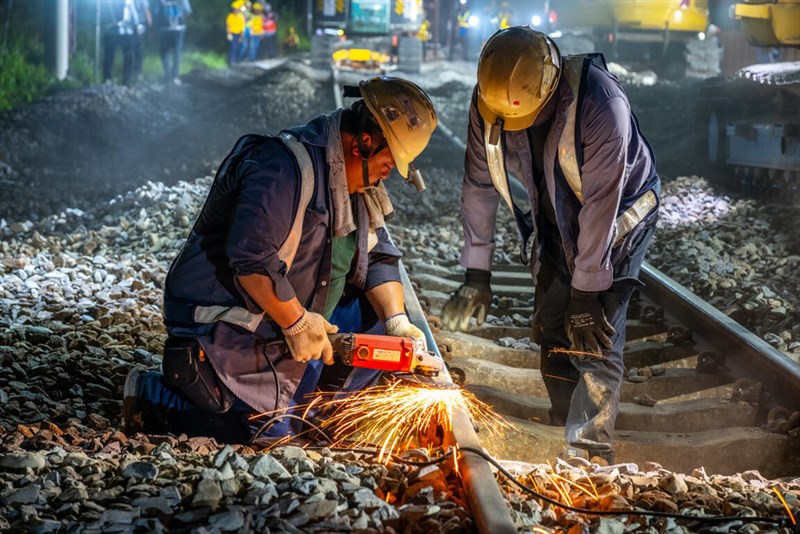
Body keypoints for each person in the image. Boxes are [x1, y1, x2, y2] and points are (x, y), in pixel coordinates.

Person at [122, 76, 438, 443]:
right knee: (268, 432)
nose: (390, 172)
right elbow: (251, 262)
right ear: (365, 142)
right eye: (390, 160)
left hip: (296, 310)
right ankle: (151, 396)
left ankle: (310, 407)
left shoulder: (357, 186)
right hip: (230, 318)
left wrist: (398, 323)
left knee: (379, 326)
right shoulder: (283, 168)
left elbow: (379, 254)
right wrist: (299, 324)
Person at [441, 26, 660, 464]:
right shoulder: (491, 99)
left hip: (617, 216)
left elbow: (600, 204)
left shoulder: (601, 104)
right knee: (550, 328)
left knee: (594, 332)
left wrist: (587, 292)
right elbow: (478, 184)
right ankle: (564, 422)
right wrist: (476, 274)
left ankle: (589, 451)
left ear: (550, 86)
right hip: (557, 210)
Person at [151, 0, 191, 85]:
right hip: (179, 28)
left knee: (164, 52)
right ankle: (175, 76)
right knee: (177, 53)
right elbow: (187, 11)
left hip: (164, 29)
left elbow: (155, 13)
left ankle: (167, 76)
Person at [101, 0, 140, 86]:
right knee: (109, 56)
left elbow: (133, 13)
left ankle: (126, 80)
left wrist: (136, 26)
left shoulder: (129, 1)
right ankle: (107, 78)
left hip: (125, 31)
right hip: (112, 30)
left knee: (127, 56)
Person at [226, 0, 246, 66]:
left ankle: (237, 61)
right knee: (233, 47)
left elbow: (242, 28)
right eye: (234, 9)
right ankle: (232, 61)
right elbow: (228, 25)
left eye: (236, 9)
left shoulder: (241, 17)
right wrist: (228, 33)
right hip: (232, 34)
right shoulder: (230, 16)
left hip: (238, 35)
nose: (235, 10)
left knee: (238, 48)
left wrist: (241, 37)